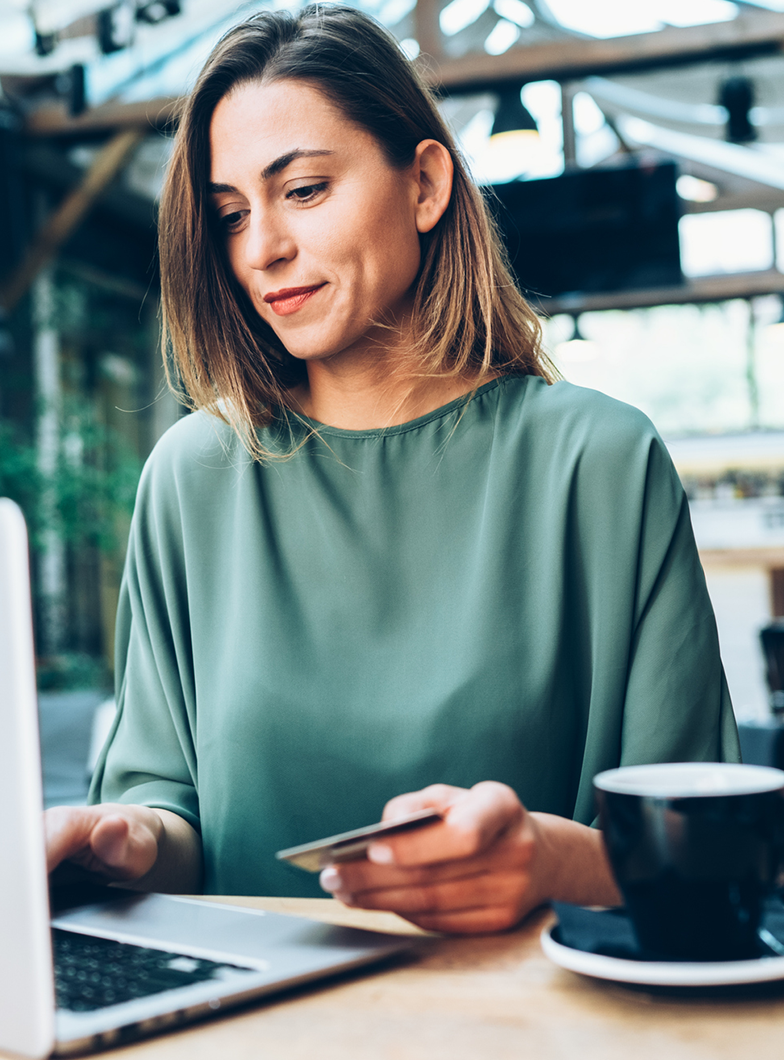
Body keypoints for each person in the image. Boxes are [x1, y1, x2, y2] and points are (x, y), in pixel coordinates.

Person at [45, 5, 739, 934]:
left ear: (423, 184)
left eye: (304, 190)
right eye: (231, 214)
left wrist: (553, 860)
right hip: (244, 1026)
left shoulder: (600, 463)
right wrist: (121, 836)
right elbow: (167, 808)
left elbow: (709, 853)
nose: (262, 249)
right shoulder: (193, 476)